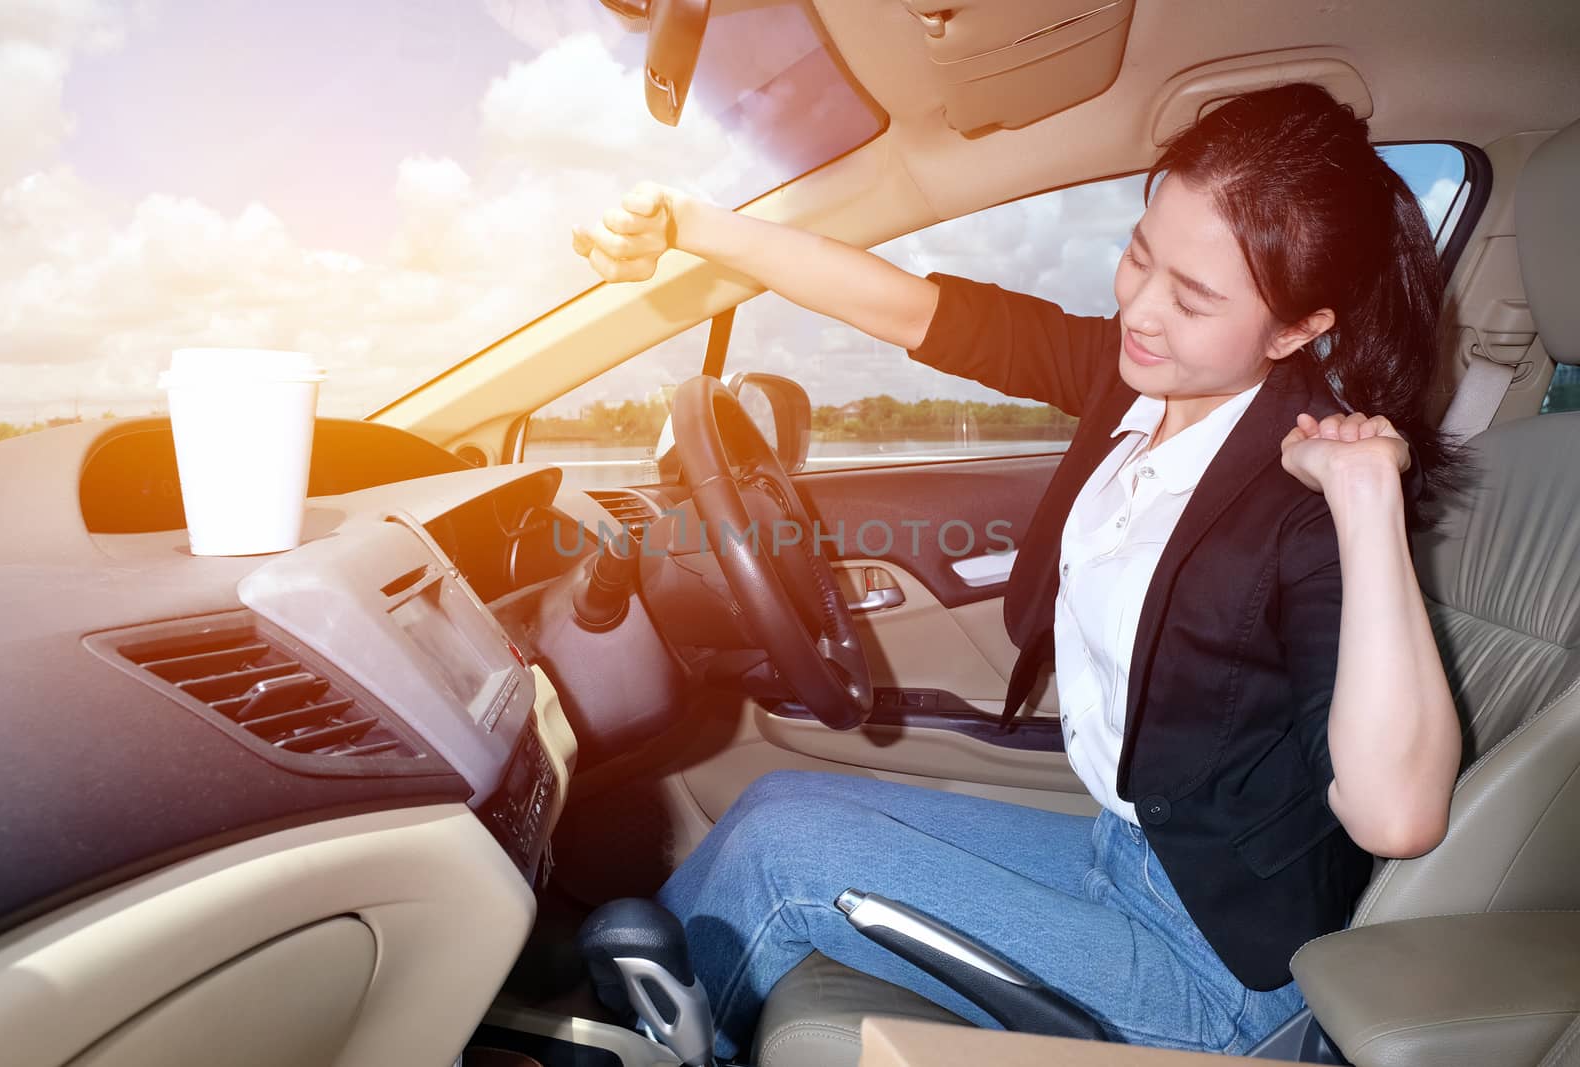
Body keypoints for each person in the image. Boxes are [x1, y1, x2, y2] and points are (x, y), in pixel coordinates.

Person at [572, 83, 1467, 1058]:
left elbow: (1397, 812)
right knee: (774, 804)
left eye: (1193, 297)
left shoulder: (1305, 499)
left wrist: (1366, 496)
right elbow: (926, 315)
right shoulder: (1134, 381)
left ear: (1294, 331)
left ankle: (620, 1046)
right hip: (1121, 847)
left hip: (1219, 959)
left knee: (786, 860)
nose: (1140, 308)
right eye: (1139, 255)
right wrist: (695, 227)